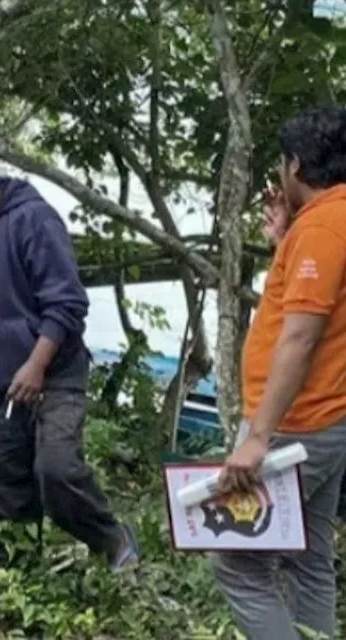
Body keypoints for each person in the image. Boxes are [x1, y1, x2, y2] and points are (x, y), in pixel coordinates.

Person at [0, 135, 139, 607]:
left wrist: (37, 365)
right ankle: (11, 572)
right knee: (2, 483)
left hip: (53, 370)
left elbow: (66, 302)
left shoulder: (33, 220)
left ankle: (112, 539)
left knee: (56, 470)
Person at [210, 105, 346, 640]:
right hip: (329, 417)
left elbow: (301, 334)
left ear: (295, 166)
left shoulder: (324, 229)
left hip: (296, 424)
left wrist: (258, 437)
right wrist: (285, 239)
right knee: (309, 557)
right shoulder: (323, 224)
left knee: (236, 561)